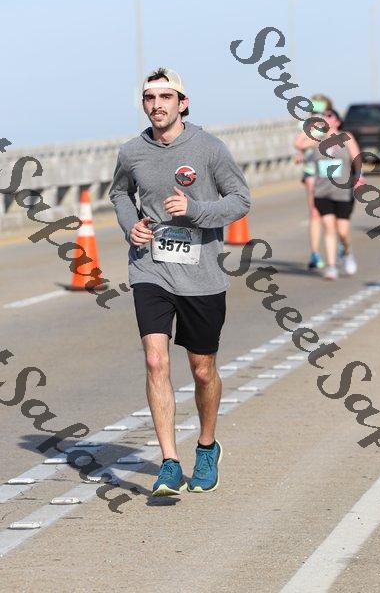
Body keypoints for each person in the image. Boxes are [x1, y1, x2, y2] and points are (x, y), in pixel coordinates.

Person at [109, 68, 250, 496]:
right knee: (156, 361)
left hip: (201, 273)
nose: (157, 105)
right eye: (149, 98)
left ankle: (206, 447)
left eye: (165, 97)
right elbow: (119, 193)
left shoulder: (209, 148)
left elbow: (240, 200)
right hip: (150, 268)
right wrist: (131, 226)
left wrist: (195, 211)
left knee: (202, 370)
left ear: (182, 103)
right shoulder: (132, 151)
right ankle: (169, 462)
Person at [308, 108, 363, 280]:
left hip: (343, 192)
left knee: (343, 232)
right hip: (322, 192)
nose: (325, 118)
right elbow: (298, 144)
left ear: (338, 121)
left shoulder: (346, 137)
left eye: (329, 116)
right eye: (323, 116)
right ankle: (331, 267)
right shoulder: (316, 139)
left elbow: (357, 158)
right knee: (329, 229)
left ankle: (347, 253)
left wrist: (359, 176)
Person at [294, 94, 333, 270]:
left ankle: (340, 243)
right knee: (315, 213)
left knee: (332, 214)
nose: (318, 115)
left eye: (321, 112)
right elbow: (299, 143)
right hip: (312, 172)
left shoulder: (332, 125)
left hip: (332, 173)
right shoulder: (305, 126)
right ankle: (315, 253)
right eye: (314, 111)